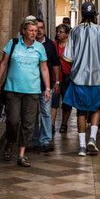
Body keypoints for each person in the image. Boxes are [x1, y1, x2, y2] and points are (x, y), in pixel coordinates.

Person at [0, 19, 51, 167]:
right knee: (12, 121)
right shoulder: (13, 44)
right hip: (13, 90)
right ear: (24, 31)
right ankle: (10, 141)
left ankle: (21, 154)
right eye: (31, 30)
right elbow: (3, 63)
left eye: (36, 30)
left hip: (32, 91)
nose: (34, 33)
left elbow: (44, 69)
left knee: (28, 123)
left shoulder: (40, 48)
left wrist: (48, 88)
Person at [62, 1, 100, 156]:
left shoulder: (74, 31)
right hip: (96, 77)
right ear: (94, 15)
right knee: (96, 107)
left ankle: (82, 146)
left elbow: (68, 57)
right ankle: (92, 138)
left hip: (78, 78)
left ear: (82, 14)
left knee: (81, 111)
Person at [32, 19, 60, 152]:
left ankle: (46, 140)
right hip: (31, 85)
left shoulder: (49, 45)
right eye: (37, 28)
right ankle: (35, 140)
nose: (39, 30)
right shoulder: (29, 44)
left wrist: (57, 82)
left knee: (46, 113)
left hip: (45, 86)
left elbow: (55, 64)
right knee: (33, 114)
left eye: (41, 28)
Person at [53, 24, 72, 134]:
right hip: (55, 78)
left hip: (67, 78)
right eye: (57, 31)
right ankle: (51, 125)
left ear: (67, 34)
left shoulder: (71, 46)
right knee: (54, 103)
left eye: (61, 32)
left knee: (66, 103)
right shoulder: (53, 45)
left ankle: (64, 123)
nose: (58, 33)